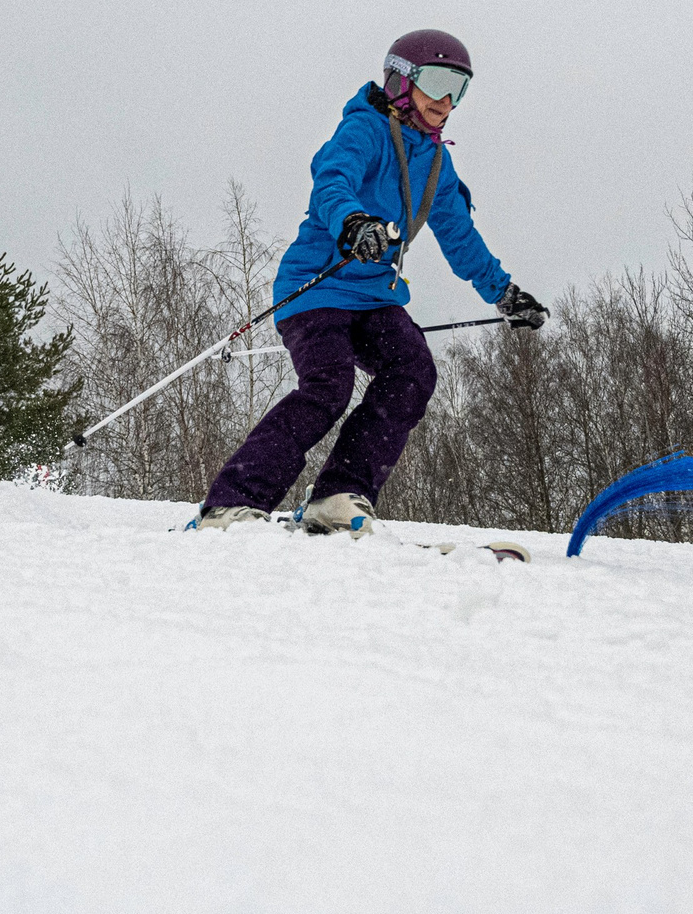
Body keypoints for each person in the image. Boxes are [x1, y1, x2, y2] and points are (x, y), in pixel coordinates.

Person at [197, 28, 548, 534]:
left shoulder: (436, 162)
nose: (446, 101)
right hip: (316, 288)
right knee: (329, 386)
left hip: (374, 296)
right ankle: (232, 502)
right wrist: (353, 222)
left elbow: (459, 236)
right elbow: (332, 180)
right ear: (401, 80)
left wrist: (504, 293)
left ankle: (337, 495)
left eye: (459, 88)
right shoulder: (364, 128)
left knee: (413, 371)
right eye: (436, 82)